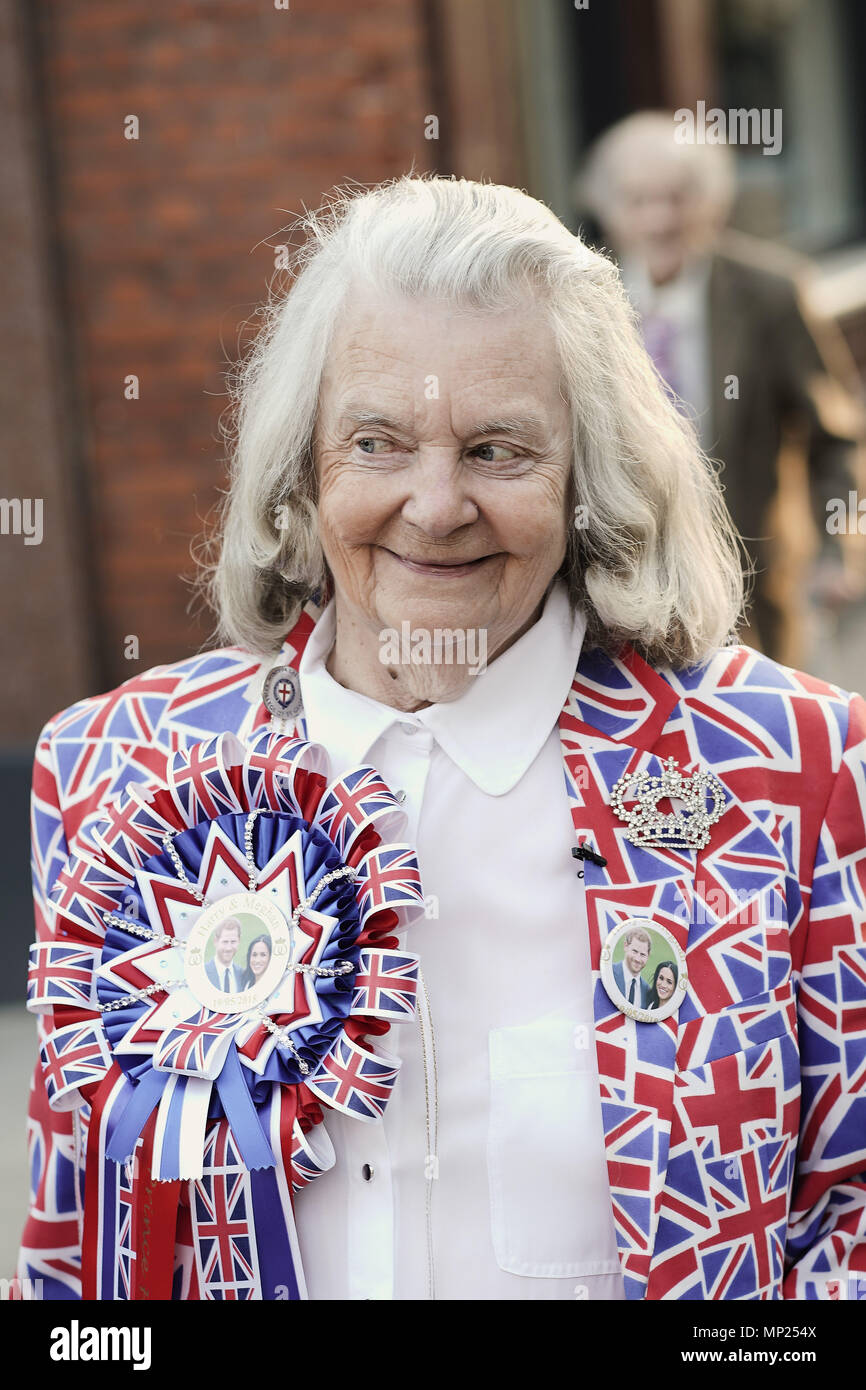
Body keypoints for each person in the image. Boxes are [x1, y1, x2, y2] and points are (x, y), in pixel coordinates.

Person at [19, 175, 866, 1302]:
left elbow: (845, 1230)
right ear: (300, 466)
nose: (432, 506)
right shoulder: (114, 770)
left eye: (497, 451)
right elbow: (75, 1259)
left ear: (586, 479)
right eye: (375, 441)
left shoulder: (787, 773)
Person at [578, 111, 864, 664]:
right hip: (619, 593)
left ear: (711, 202)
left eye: (677, 198)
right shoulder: (584, 301)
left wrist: (837, 549)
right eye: (639, 201)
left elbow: (837, 436)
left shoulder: (772, 294)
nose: (660, 220)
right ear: (610, 209)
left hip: (755, 588)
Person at [612, 928, 651, 1008]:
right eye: (635, 951)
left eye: (643, 954)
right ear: (626, 946)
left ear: (648, 955)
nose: (637, 959)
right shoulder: (609, 973)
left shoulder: (647, 991)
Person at [204, 917, 245, 993]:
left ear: (239, 941)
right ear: (215, 941)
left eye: (233, 941)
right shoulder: (202, 972)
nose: (229, 948)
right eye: (225, 942)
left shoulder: (243, 975)